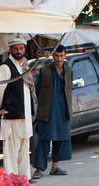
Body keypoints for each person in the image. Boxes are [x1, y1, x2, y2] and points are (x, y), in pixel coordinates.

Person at [0, 37, 34, 178]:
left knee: (24, 148)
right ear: (10, 50)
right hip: (11, 116)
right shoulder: (5, 67)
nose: (19, 51)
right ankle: (12, 178)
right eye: (16, 48)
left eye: (21, 48)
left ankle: (24, 178)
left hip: (25, 115)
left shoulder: (24, 65)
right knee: (11, 149)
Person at [32, 44, 74, 177]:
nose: (59, 58)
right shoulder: (45, 70)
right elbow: (38, 89)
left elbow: (69, 88)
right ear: (53, 56)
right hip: (48, 109)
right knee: (44, 138)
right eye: (56, 55)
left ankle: (55, 167)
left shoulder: (69, 70)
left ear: (65, 56)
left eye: (61, 56)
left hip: (63, 109)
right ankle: (39, 169)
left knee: (61, 138)